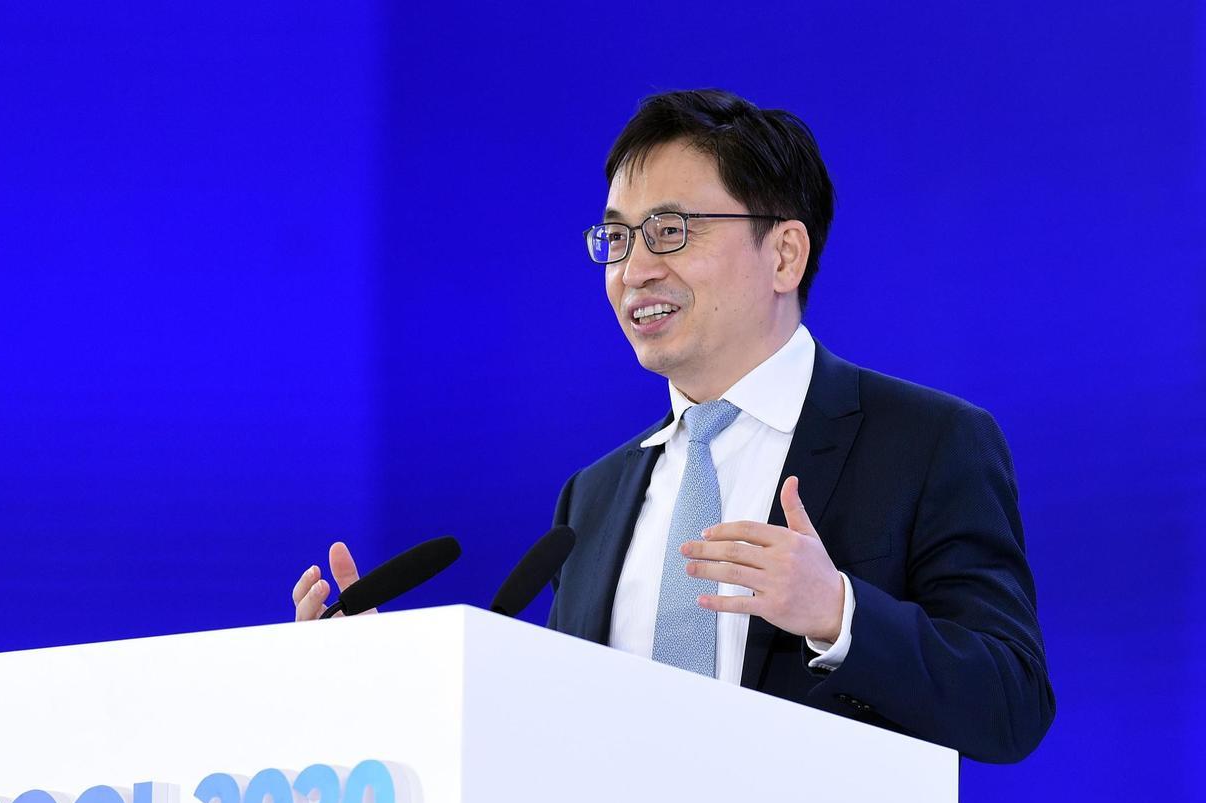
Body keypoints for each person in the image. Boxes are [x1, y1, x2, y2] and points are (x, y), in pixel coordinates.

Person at [293, 89, 1054, 764]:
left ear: (784, 254)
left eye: (670, 231)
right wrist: (392, 674)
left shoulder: (927, 443)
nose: (633, 271)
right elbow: (551, 737)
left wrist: (837, 613)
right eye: (617, 239)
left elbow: (1010, 704)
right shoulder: (592, 498)